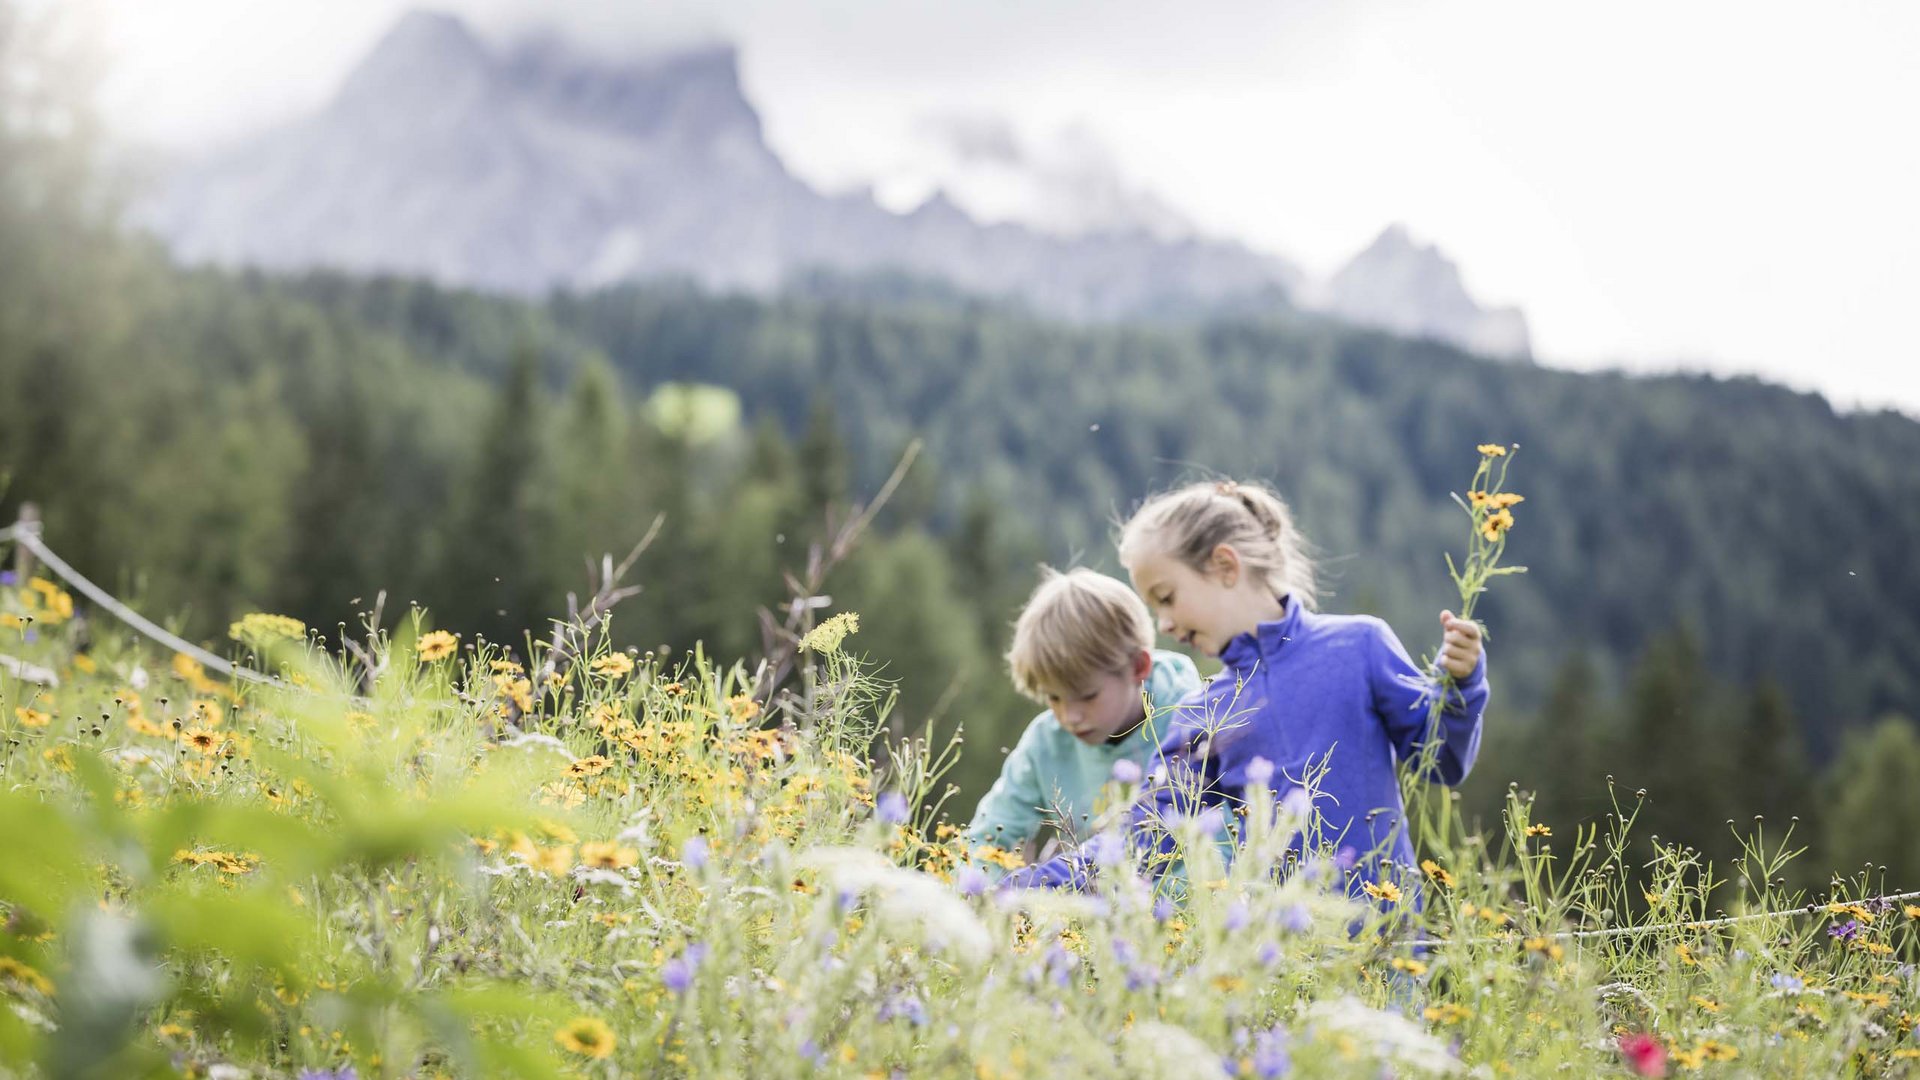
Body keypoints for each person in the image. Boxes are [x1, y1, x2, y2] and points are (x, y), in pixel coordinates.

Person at [1004, 480, 1487, 900]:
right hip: (1277, 963)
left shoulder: (1358, 647)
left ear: (1225, 566)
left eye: (1167, 598)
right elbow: (1140, 842)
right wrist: (1017, 889)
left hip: (1388, 950)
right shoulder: (1204, 716)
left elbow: (1441, 759)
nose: (1164, 624)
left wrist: (1461, 685)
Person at [963, 567, 1201, 876]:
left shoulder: (1190, 719)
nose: (1069, 717)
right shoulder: (1045, 742)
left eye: (1087, 696)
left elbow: (1215, 837)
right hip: (1087, 905)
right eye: (1054, 698)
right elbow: (991, 834)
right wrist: (981, 895)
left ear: (1137, 668)